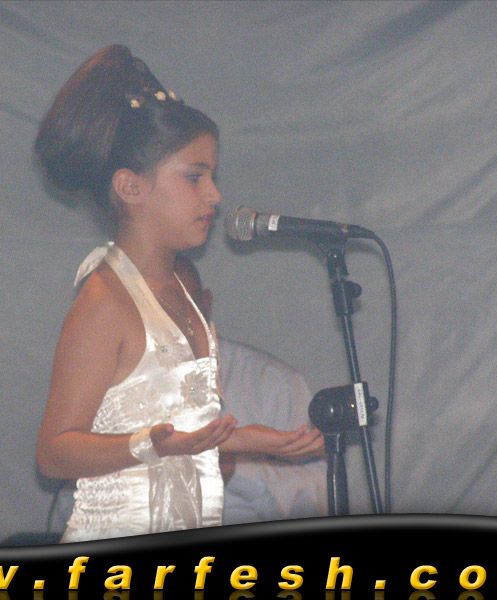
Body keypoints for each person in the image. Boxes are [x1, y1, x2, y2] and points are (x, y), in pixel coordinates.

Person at [34, 45, 323, 542]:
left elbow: (177, 431)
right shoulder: (105, 301)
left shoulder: (185, 287)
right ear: (130, 187)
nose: (214, 195)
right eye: (195, 177)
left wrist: (248, 440)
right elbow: (54, 453)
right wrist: (153, 445)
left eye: (212, 176)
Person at [173, 256, 329, 524]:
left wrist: (237, 472)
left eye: (180, 306)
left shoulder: (271, 383)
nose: (169, 322)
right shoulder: (110, 388)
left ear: (206, 303)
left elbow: (319, 497)